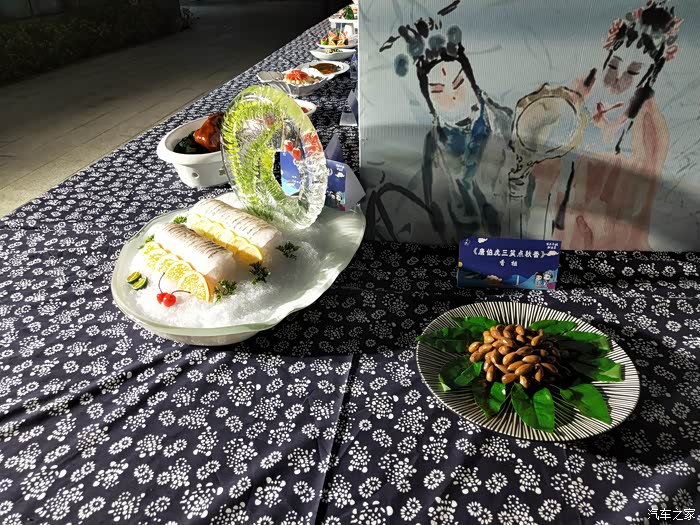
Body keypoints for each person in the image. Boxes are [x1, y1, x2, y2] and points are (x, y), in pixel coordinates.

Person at [531, 1, 681, 250]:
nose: (617, 80)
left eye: (632, 73)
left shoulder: (647, 124)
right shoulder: (587, 104)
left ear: (647, 77)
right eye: (613, 66)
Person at [367, 17, 513, 244]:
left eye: (458, 84)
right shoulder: (433, 145)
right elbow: (435, 210)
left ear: (473, 84)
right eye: (438, 91)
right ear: (430, 104)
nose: (452, 96)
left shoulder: (504, 123)